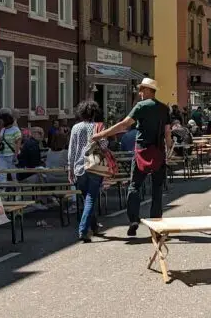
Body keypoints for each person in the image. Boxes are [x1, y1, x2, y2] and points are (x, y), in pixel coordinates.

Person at [93, 78, 172, 237]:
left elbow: (124, 124)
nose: (139, 93)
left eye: (141, 89)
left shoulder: (141, 106)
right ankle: (156, 224)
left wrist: (101, 134)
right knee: (157, 189)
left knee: (134, 186)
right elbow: (167, 132)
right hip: (158, 152)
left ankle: (133, 219)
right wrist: (169, 148)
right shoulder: (164, 108)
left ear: (148, 90)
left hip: (142, 151)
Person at [66, 100, 109, 242]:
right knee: (90, 198)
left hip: (79, 167)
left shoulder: (76, 127)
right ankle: (83, 230)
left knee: (87, 198)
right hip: (94, 166)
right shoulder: (98, 127)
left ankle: (94, 226)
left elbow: (72, 149)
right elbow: (104, 145)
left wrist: (70, 168)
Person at [0, 110, 22, 183]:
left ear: (5, 120)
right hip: (2, 155)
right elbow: (1, 141)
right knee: (2, 175)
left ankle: (17, 189)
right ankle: (2, 189)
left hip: (12, 155)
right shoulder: (3, 130)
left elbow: (18, 143)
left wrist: (16, 156)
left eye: (1, 120)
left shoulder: (15, 130)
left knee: (14, 176)